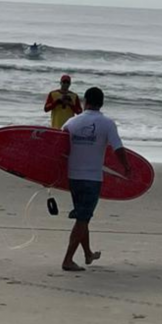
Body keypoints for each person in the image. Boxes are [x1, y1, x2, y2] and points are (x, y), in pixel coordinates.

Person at [60, 87, 130, 271]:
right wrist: (126, 167)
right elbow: (118, 149)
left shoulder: (71, 122)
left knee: (83, 217)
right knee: (83, 218)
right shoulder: (107, 124)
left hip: (73, 176)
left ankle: (88, 254)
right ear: (102, 103)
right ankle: (67, 260)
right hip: (92, 178)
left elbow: (58, 149)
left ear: (85, 101)